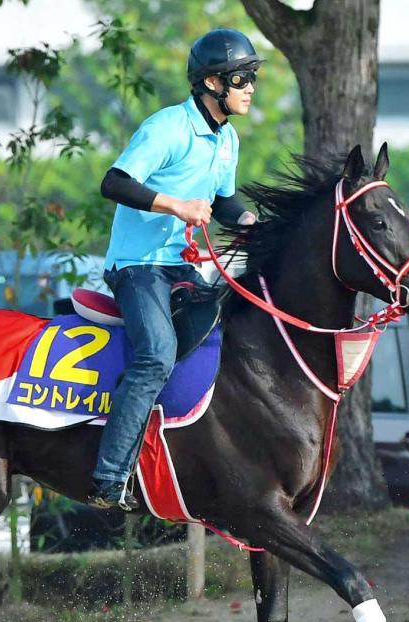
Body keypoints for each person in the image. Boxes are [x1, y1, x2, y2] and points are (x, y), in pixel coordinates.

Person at [88, 28, 261, 511]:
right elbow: (114, 182)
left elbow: (223, 201)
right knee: (156, 355)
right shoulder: (167, 127)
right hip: (138, 269)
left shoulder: (228, 140)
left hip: (184, 269)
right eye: (242, 79)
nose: (250, 88)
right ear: (211, 83)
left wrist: (248, 221)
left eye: (252, 78)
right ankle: (108, 479)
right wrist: (177, 206)